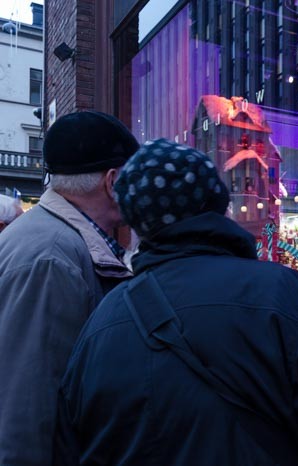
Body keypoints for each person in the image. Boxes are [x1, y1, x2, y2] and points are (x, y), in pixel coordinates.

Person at [54, 139, 298, 465]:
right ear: (218, 204)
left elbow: (72, 445)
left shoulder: (103, 322)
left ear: (138, 222)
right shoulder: (282, 293)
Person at [0, 111, 138, 465]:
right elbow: (25, 406)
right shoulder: (52, 256)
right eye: (133, 177)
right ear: (112, 181)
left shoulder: (53, 240)